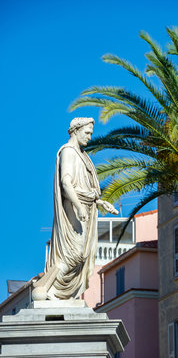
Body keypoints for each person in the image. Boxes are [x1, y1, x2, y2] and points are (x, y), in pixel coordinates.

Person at [32, 117, 118, 300]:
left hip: (85, 206)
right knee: (75, 253)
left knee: (80, 254)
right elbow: (66, 182)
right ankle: (46, 287)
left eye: (90, 134)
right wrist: (79, 206)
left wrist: (100, 202)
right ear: (76, 130)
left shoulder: (82, 155)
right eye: (87, 133)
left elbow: (85, 189)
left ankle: (48, 287)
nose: (89, 137)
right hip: (74, 206)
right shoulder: (69, 152)